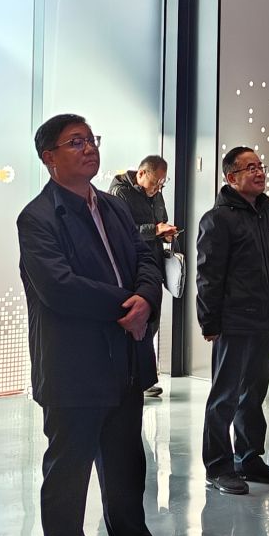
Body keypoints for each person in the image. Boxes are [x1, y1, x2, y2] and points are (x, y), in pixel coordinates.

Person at [18, 113, 192, 536]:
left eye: (90, 139)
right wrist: (126, 306)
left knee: (126, 474)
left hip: (124, 364)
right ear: (49, 157)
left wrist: (146, 298)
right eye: (75, 142)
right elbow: (58, 286)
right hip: (73, 368)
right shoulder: (38, 217)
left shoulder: (114, 206)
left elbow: (146, 258)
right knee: (68, 478)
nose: (88, 148)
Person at [195, 145, 269, 495]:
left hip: (267, 320)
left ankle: (249, 457)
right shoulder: (217, 219)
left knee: (255, 394)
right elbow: (208, 275)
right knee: (225, 396)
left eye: (260, 166)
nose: (259, 172)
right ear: (231, 177)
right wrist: (210, 322)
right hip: (234, 322)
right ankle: (218, 466)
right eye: (250, 168)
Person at [109, 155, 179, 400]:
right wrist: (155, 230)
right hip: (130, 267)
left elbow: (160, 220)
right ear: (141, 174)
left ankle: (143, 376)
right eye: (155, 182)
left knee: (151, 321)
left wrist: (166, 232)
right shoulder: (120, 192)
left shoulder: (156, 193)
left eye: (162, 183)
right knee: (135, 322)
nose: (158, 188)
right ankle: (132, 378)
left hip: (153, 265)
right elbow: (120, 232)